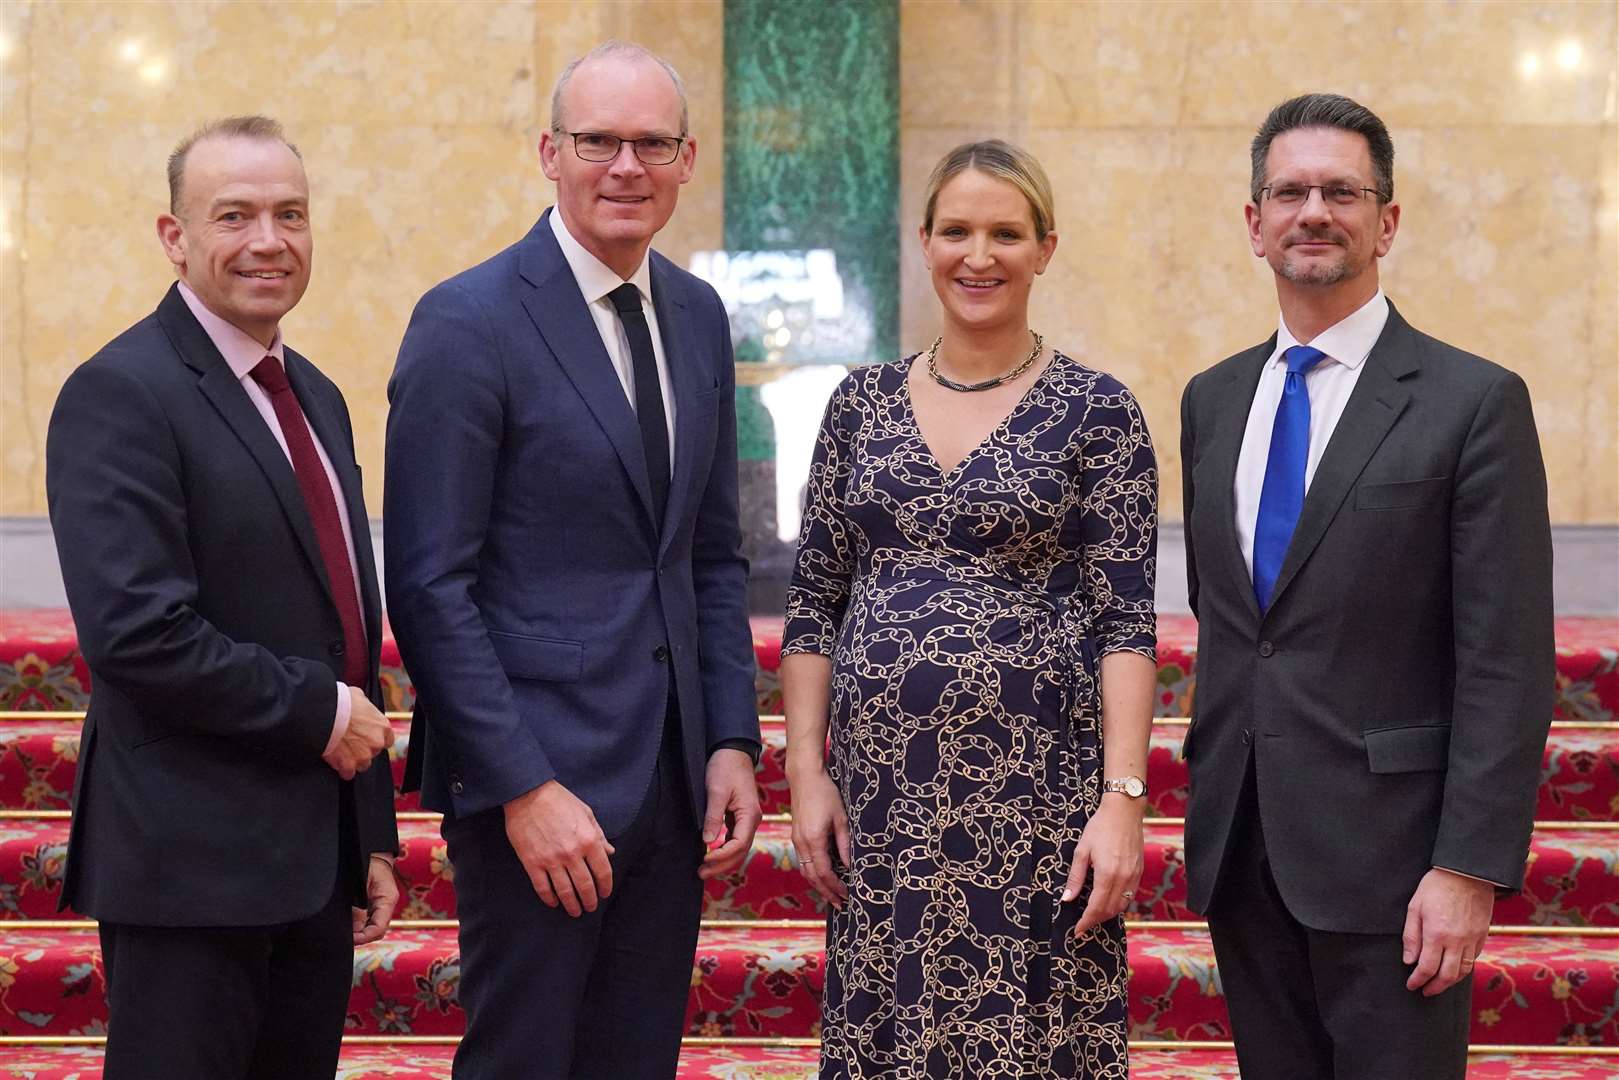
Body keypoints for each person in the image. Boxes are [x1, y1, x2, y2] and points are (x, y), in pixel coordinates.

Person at [384, 40, 761, 1080]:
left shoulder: (696, 314)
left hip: (671, 781)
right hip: (537, 789)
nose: (625, 167)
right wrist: (519, 786)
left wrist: (729, 737)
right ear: (549, 152)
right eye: (598, 141)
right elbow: (428, 584)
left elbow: (710, 557)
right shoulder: (468, 322)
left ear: (687, 161)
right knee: (526, 1061)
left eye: (651, 143)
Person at [1179, 92, 1554, 1079]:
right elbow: (1234, 630)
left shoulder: (1471, 403)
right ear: (1251, 223)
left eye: (1340, 191)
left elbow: (1504, 662)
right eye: (1288, 191)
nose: (1312, 210)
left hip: (1395, 869)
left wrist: (1466, 867)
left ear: (1384, 221)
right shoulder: (1210, 401)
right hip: (1243, 849)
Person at [782, 139, 1159, 1080]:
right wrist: (803, 770)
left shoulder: (1098, 411)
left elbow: (1125, 622)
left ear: (1045, 247)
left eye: (1004, 232)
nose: (977, 255)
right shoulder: (858, 403)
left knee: (1026, 1039)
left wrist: (1121, 799)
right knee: (888, 1036)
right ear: (924, 242)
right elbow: (813, 602)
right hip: (883, 798)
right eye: (956, 231)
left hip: (1035, 800)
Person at [44, 115, 399, 1079]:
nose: (268, 240)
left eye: (290, 214)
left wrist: (364, 833)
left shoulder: (313, 392)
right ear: (175, 236)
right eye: (234, 215)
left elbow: (343, 631)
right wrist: (320, 715)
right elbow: (137, 634)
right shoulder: (120, 392)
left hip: (312, 863)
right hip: (188, 870)